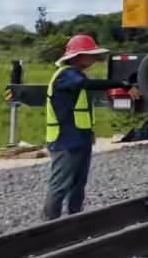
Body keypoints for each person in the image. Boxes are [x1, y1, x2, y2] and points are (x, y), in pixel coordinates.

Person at [43, 35, 140, 220]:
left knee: (78, 184)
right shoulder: (67, 75)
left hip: (79, 138)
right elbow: (87, 85)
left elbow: (81, 108)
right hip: (64, 140)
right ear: (78, 56)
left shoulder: (75, 74)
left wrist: (89, 133)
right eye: (91, 55)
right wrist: (122, 85)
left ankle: (74, 219)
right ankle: (47, 227)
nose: (94, 59)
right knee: (60, 185)